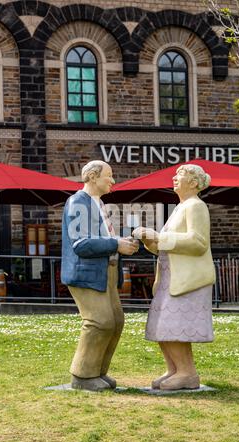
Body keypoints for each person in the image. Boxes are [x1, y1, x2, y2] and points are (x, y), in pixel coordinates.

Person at [133, 164, 215, 390]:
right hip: (170, 278)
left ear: (194, 183)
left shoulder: (196, 206)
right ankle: (174, 370)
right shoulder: (180, 207)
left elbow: (198, 243)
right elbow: (168, 245)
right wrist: (151, 241)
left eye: (181, 175)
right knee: (163, 326)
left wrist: (160, 237)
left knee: (174, 325)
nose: (174, 178)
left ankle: (188, 373)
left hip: (186, 280)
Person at [61, 160, 139, 391]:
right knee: (99, 322)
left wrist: (123, 241)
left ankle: (97, 373)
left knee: (115, 322)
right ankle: (82, 376)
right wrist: (116, 243)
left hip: (106, 271)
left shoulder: (99, 203)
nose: (113, 181)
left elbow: (100, 237)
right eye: (109, 175)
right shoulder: (78, 202)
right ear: (93, 177)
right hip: (86, 273)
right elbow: (81, 243)